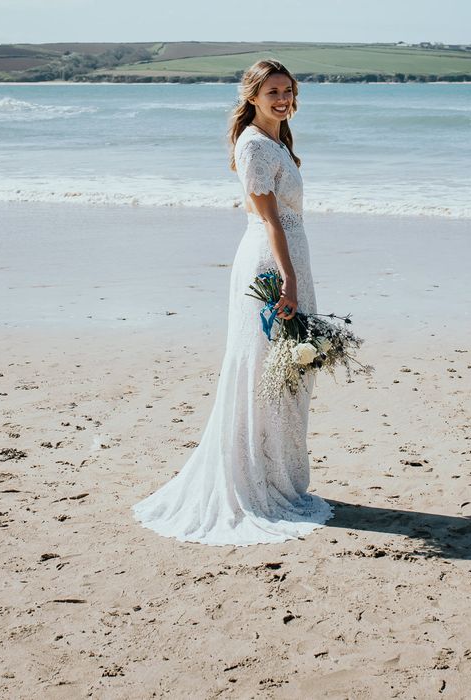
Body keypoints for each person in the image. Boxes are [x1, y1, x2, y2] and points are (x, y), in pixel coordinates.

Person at [131, 59, 333, 546]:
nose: (282, 99)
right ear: (252, 97)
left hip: (290, 257)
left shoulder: (278, 140)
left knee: (287, 371)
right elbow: (269, 221)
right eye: (272, 92)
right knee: (265, 367)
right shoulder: (254, 146)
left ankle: (276, 476)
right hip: (271, 261)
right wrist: (287, 278)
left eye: (288, 90)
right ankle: (253, 483)